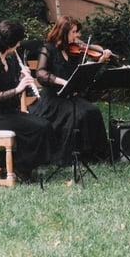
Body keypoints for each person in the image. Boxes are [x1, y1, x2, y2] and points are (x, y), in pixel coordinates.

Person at [0, 20, 54, 180]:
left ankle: (18, 165)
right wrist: (18, 88)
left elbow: (10, 85)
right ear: (11, 42)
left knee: (43, 123)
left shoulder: (10, 59)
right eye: (18, 41)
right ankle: (19, 168)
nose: (19, 44)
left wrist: (21, 78)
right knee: (37, 127)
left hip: (6, 112)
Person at [29, 16, 111, 165]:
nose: (77, 36)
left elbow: (83, 75)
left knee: (93, 110)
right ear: (63, 32)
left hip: (68, 97)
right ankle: (70, 156)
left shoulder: (73, 51)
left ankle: (92, 154)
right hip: (53, 99)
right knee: (79, 113)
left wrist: (99, 62)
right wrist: (63, 82)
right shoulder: (48, 49)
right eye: (74, 32)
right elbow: (40, 73)